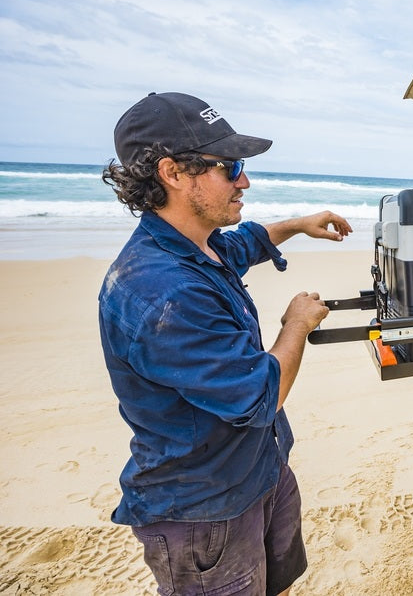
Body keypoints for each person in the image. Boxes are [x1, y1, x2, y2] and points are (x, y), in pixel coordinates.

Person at [99, 92, 352, 596]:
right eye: (230, 166)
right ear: (173, 173)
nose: (245, 180)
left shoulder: (194, 243)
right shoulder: (163, 292)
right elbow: (260, 397)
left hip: (256, 470)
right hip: (204, 511)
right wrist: (296, 324)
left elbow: (239, 246)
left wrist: (296, 225)